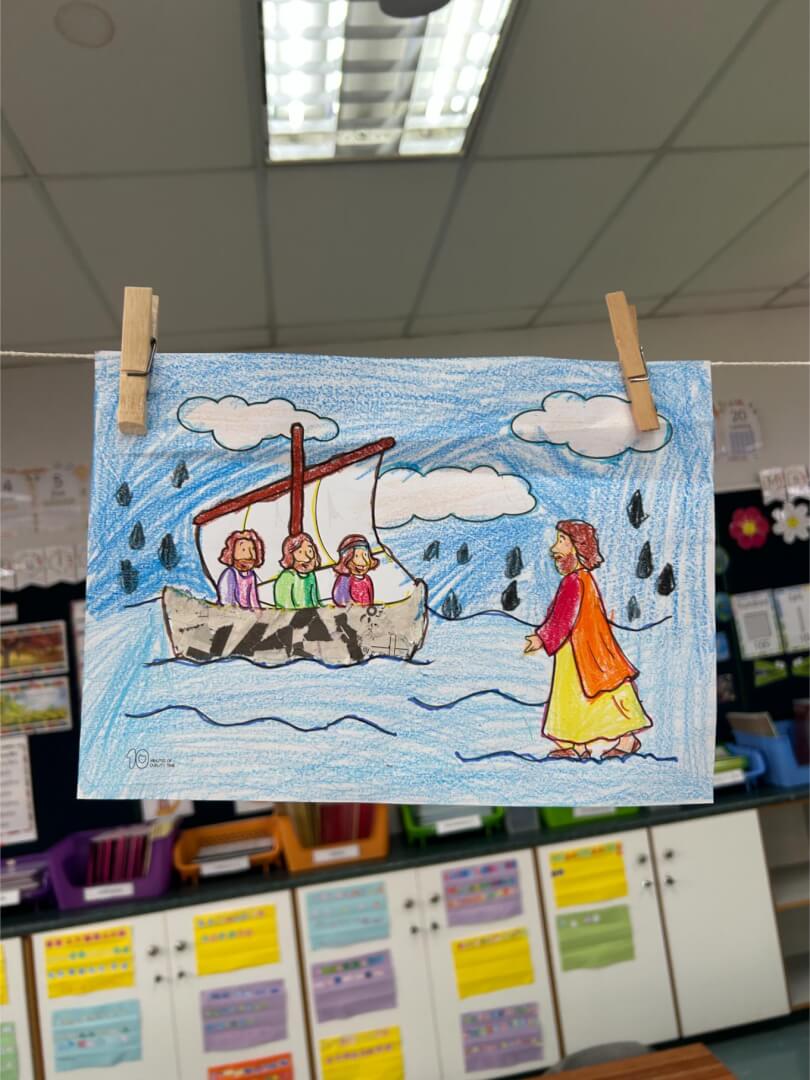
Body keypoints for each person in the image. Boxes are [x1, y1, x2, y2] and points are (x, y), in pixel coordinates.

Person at [524, 519, 652, 760]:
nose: (554, 548)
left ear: (577, 546)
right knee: (592, 693)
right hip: (582, 647)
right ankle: (580, 745)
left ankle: (610, 742)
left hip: (581, 649)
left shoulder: (575, 581)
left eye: (561, 541)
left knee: (586, 694)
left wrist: (542, 638)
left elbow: (563, 618)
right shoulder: (582, 579)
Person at [216, 529, 265, 611]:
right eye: (243, 550)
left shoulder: (251, 574)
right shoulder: (230, 573)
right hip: (230, 611)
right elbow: (226, 599)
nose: (249, 555)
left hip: (247, 612)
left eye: (253, 549)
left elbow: (253, 598)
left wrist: (257, 611)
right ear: (231, 553)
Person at [273, 532, 321, 609]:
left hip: (309, 613)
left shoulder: (311, 575)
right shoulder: (287, 576)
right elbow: (285, 605)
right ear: (290, 556)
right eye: (300, 552)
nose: (307, 558)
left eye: (310, 551)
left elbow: (315, 600)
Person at [331, 534, 380, 606]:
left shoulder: (367, 579)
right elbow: (340, 600)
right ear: (347, 559)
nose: (364, 562)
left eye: (365, 555)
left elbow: (370, 600)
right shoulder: (344, 579)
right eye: (356, 556)